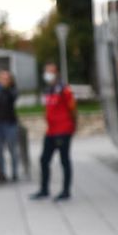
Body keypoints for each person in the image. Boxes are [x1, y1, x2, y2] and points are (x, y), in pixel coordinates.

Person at [30, 63, 75, 201]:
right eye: (46, 71)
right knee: (44, 160)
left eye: (51, 71)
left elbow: (72, 108)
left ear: (57, 73)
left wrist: (72, 126)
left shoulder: (64, 89)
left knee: (64, 160)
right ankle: (44, 189)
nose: (48, 74)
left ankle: (66, 191)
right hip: (51, 131)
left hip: (63, 130)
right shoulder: (49, 90)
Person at [0, 69, 20, 182]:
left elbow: (13, 97)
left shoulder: (12, 89)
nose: (3, 80)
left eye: (6, 78)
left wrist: (5, 87)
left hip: (10, 123)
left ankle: (15, 173)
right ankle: (1, 173)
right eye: (1, 78)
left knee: (12, 149)